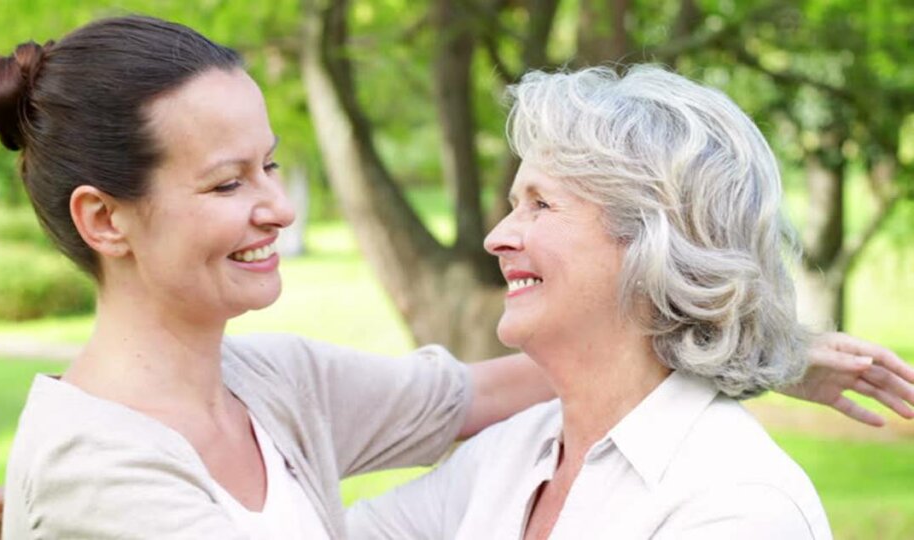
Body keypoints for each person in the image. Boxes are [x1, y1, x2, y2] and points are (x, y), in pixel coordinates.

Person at [0, 20, 914, 540]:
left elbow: (463, 395)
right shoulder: (98, 468)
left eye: (271, 167)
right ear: (104, 218)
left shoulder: (277, 387)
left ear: (649, 250)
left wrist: (742, 346)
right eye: (225, 180)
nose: (277, 209)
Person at [345, 65, 914, 539]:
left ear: (655, 245)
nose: (497, 237)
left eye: (540, 204)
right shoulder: (513, 454)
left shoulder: (739, 504)